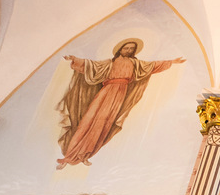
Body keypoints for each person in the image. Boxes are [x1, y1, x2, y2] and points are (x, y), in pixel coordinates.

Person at [55, 39, 185, 169]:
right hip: (107, 91)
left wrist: (172, 62)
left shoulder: (136, 64)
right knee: (88, 121)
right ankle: (69, 156)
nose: (128, 51)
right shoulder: (110, 63)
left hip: (120, 95)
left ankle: (85, 154)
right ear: (120, 49)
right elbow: (92, 65)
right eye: (126, 48)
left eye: (131, 49)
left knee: (104, 125)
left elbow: (152, 66)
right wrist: (75, 59)